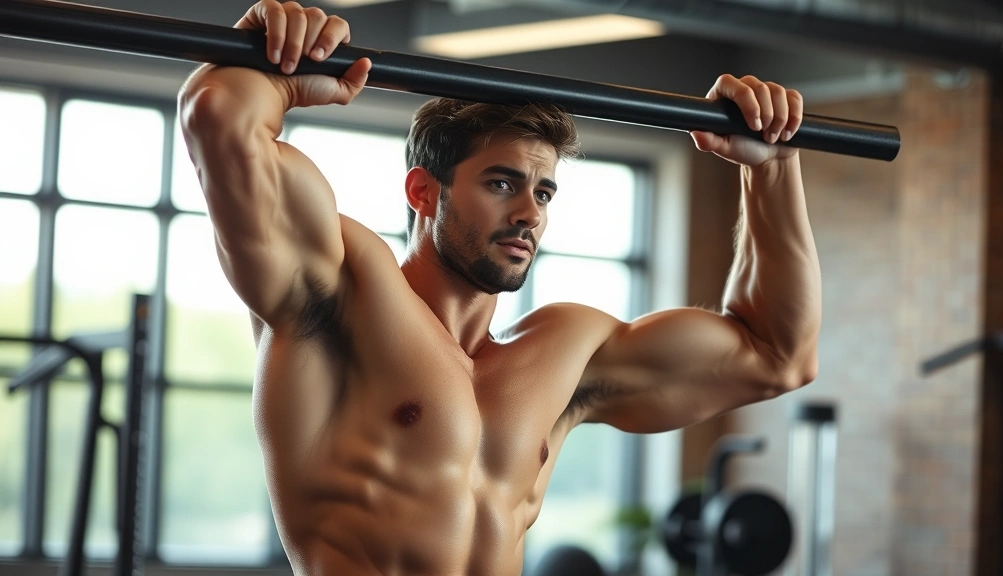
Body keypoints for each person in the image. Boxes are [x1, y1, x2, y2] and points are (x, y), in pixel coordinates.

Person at [177, 1, 821, 574]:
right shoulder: (341, 289)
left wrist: (773, 169)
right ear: (423, 191)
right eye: (501, 183)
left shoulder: (566, 351)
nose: (529, 214)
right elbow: (219, 116)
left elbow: (777, 355)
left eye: (542, 191)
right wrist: (276, 66)